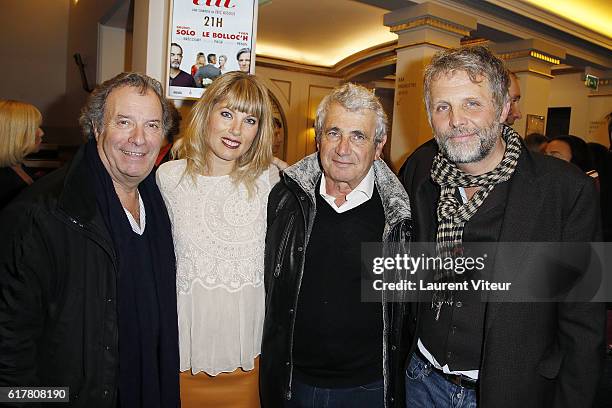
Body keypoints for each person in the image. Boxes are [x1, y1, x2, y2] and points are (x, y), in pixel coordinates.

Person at [399, 45, 604, 408]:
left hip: (509, 390)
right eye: (442, 107)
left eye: (471, 104)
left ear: (504, 108)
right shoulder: (421, 169)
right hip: (421, 379)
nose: (455, 120)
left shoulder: (565, 192)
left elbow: (582, 326)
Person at [0, 72, 180, 407]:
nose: (139, 138)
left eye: (152, 125)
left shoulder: (158, 201)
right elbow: (9, 350)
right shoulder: (41, 214)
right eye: (124, 122)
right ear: (96, 127)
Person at [261, 83, 413, 408]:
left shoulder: (400, 215)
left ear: (379, 145)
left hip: (369, 388)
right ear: (318, 139)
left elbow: (408, 310)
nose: (343, 148)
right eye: (334, 133)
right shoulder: (286, 199)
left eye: (358, 136)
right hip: (293, 383)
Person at [156, 71, 277, 408]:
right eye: (226, 114)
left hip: (249, 363)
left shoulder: (271, 181)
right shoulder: (168, 179)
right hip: (181, 361)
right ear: (206, 112)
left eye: (249, 119)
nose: (236, 130)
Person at [0, 99, 44, 209]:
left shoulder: (17, 165)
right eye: (34, 128)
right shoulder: (4, 181)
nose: (41, 133)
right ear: (15, 135)